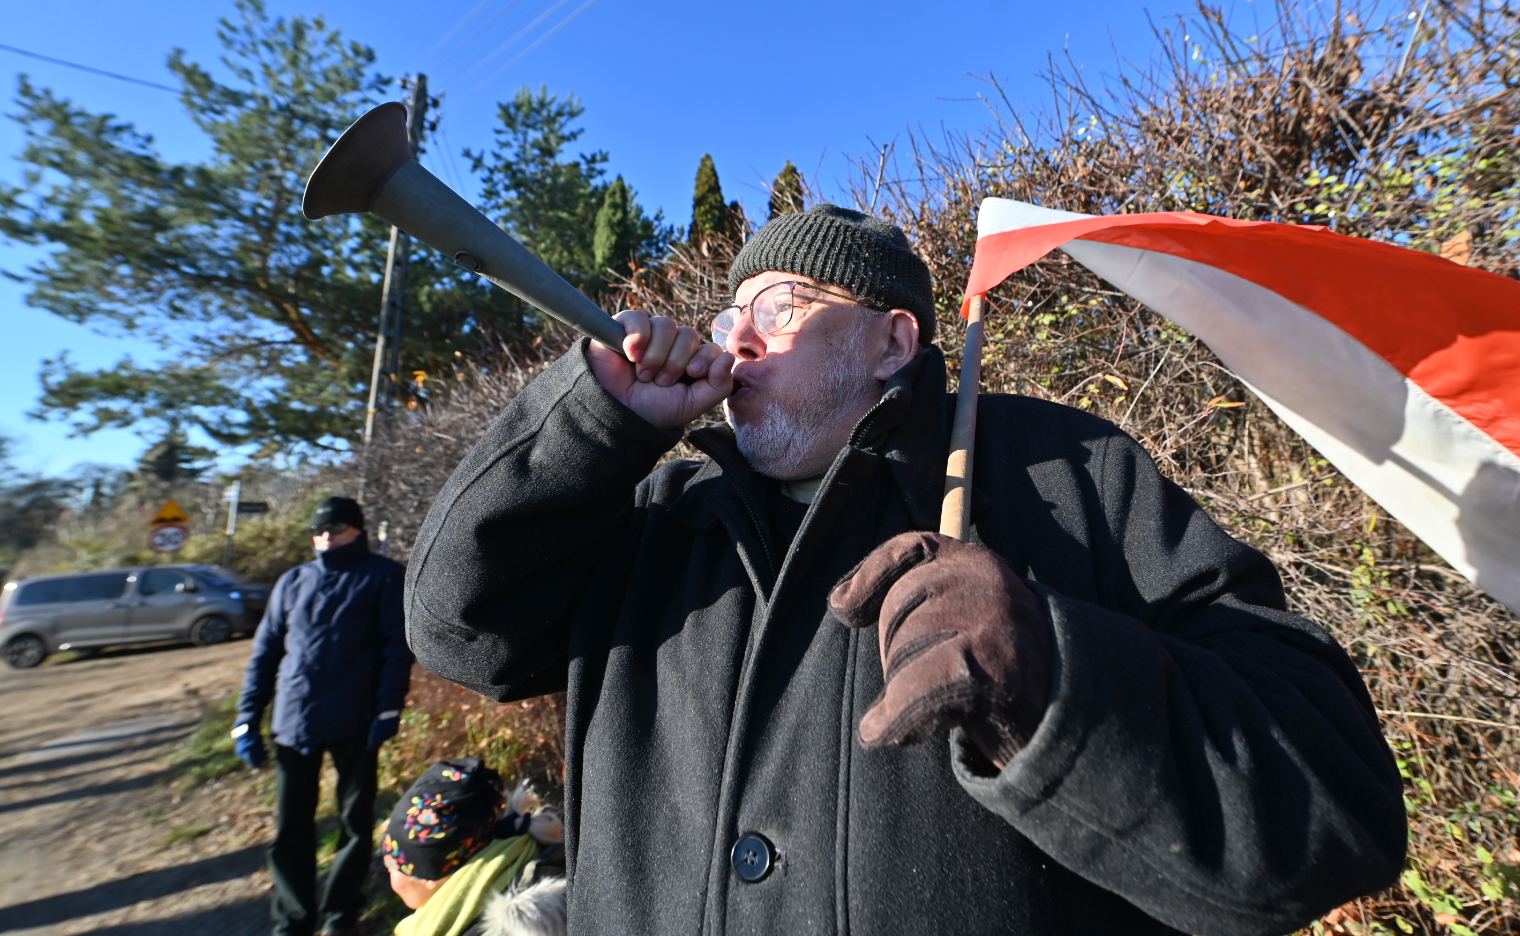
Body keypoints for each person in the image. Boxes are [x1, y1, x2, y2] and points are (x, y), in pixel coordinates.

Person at [404, 205, 1408, 935]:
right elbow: (457, 627)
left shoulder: (1069, 475)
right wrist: (596, 421)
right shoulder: (657, 520)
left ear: (892, 341)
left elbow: (1331, 807)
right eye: (726, 319)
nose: (737, 337)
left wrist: (1057, 679)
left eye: (784, 305)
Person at [233, 496, 414, 936]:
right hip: (293, 723)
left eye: (334, 528)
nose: (325, 537)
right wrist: (246, 719)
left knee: (354, 825)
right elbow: (265, 653)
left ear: (357, 529)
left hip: (356, 721)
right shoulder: (293, 581)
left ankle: (340, 915)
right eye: (318, 530)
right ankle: (293, 919)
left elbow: (396, 649)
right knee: (291, 827)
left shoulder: (384, 577)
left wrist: (388, 709)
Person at [382, 758, 566, 936]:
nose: (390, 878)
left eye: (392, 867)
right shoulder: (536, 856)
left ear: (426, 877)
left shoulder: (506, 929)